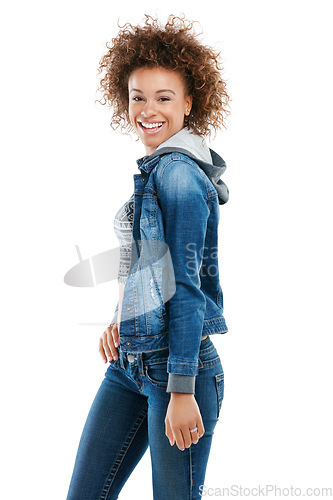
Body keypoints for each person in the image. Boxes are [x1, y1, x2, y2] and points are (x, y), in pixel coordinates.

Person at [66, 13, 231, 500]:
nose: (147, 110)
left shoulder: (178, 175)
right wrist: (124, 317)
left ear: (188, 103)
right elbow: (143, 260)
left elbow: (184, 285)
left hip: (179, 370)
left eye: (163, 97)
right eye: (138, 97)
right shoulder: (157, 168)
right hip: (131, 364)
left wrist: (181, 388)